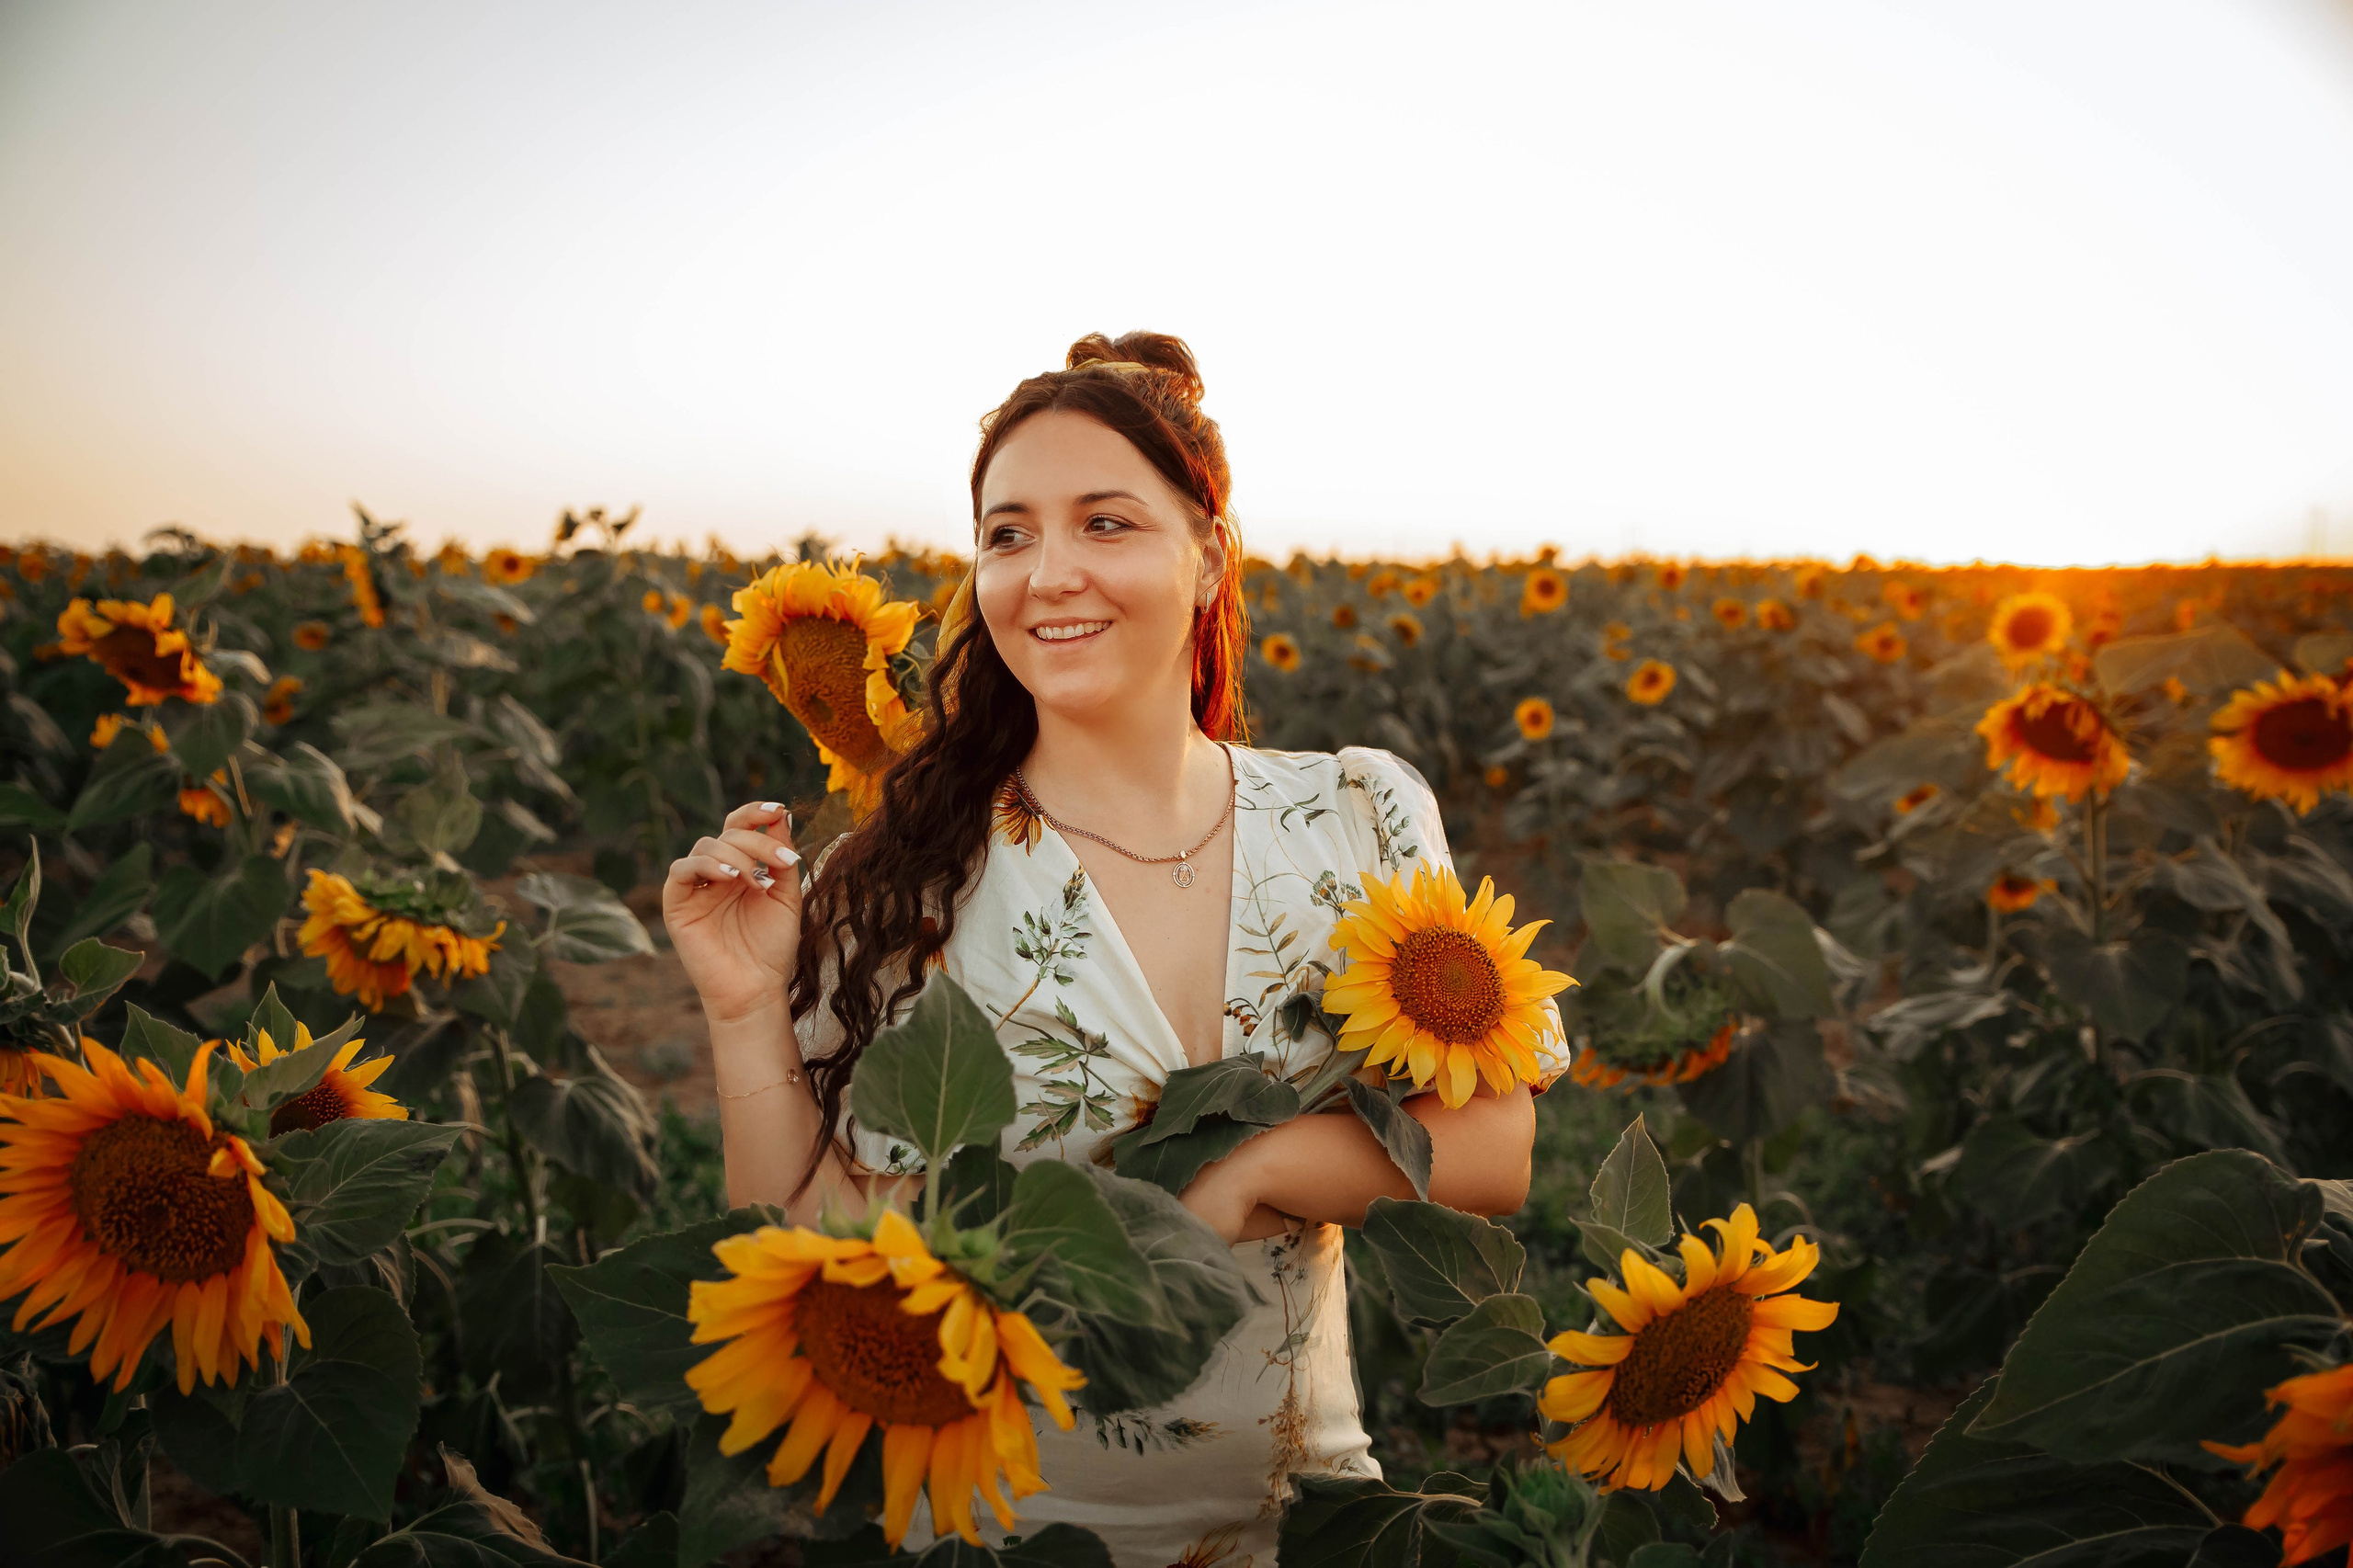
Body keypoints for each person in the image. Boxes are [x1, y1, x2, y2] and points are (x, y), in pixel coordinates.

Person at [663, 331, 1569, 1566]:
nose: (1048, 573)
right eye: (1007, 532)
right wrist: (739, 1011)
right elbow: (803, 1240)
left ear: (1207, 556)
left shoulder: (1356, 813)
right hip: (1003, 1525)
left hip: (1315, 1521)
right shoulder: (898, 876)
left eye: (1105, 523)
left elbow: (1492, 1142)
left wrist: (1256, 1170)